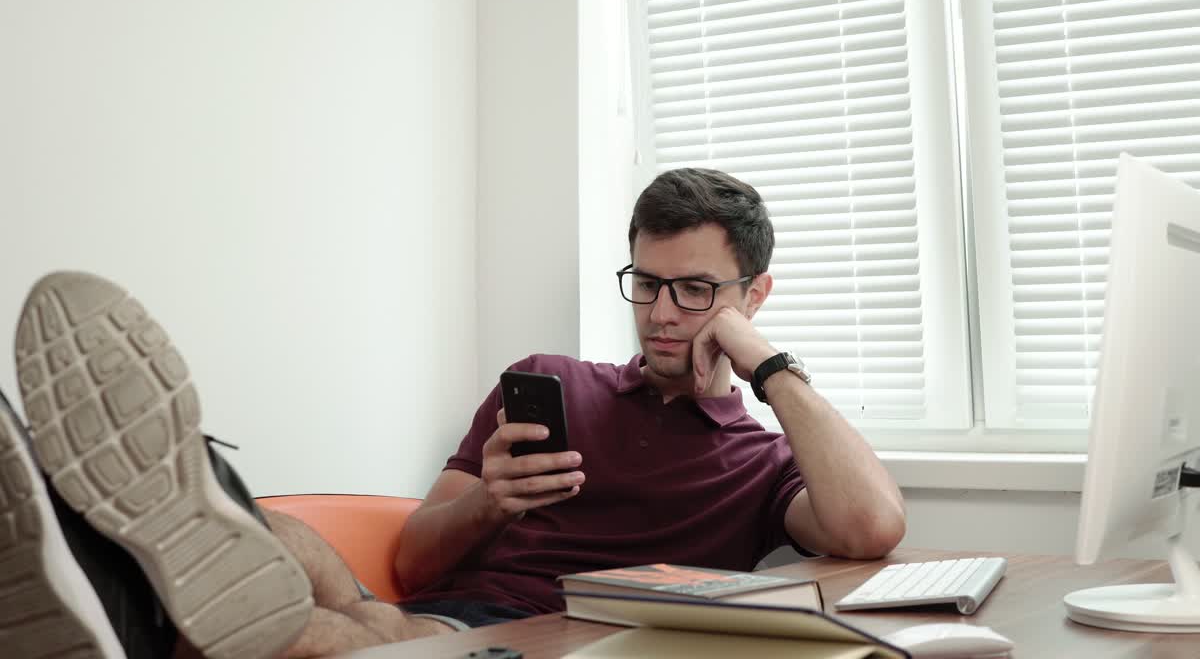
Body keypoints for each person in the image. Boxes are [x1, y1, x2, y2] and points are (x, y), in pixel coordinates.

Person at [0, 167, 905, 659]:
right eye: (647, 282)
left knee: (356, 635)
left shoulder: (758, 458)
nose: (663, 311)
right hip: (462, 611)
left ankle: (94, 578)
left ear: (753, 294)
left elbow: (869, 526)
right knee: (287, 547)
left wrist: (768, 365)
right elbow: (411, 555)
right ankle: (141, 508)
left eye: (697, 291)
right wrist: (488, 503)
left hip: (560, 643)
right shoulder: (548, 378)